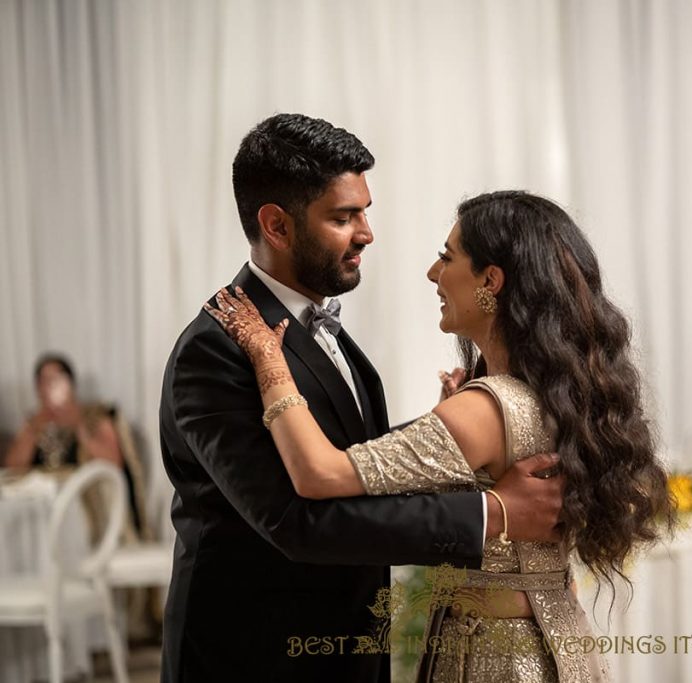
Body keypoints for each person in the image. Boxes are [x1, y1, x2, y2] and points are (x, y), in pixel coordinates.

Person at [159, 114, 564, 683]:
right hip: (257, 655)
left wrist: (448, 440)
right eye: (343, 217)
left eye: (364, 211)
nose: (367, 232)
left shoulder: (323, 329)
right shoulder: (218, 349)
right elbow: (293, 520)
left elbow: (358, 463)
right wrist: (491, 514)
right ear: (276, 225)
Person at [208, 190, 676, 682]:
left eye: (447, 258)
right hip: (560, 641)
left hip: (497, 660)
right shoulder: (562, 393)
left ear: (490, 282)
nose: (434, 274)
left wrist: (267, 358)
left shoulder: (483, 410)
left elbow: (318, 473)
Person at [4, 353, 151, 541]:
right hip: (47, 514)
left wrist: (77, 423)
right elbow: (13, 467)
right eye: (43, 381)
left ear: (70, 384)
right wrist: (37, 426)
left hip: (87, 511)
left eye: (55, 379)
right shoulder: (34, 424)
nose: (49, 387)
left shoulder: (95, 416)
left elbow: (113, 463)